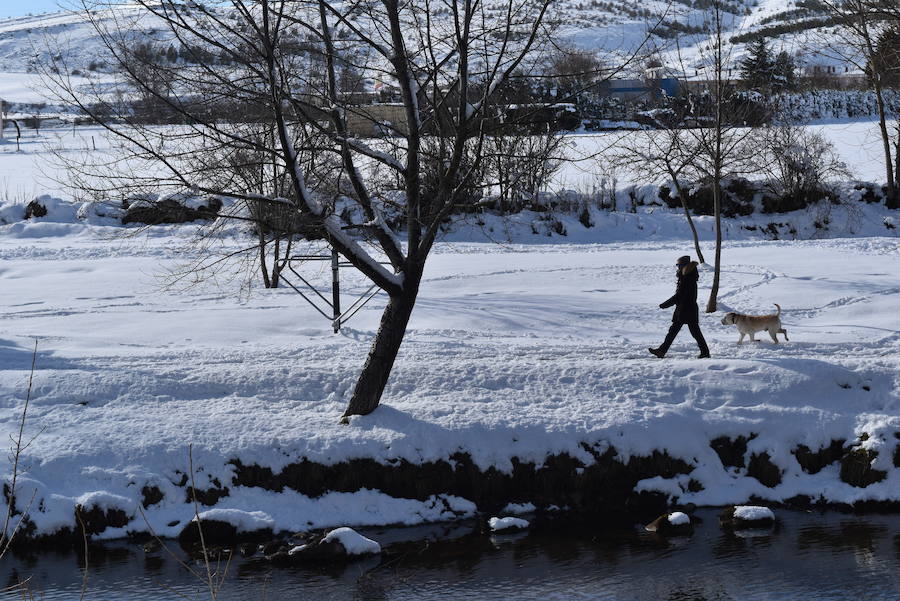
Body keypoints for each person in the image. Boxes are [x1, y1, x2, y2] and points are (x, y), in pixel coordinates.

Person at [649, 255, 710, 359]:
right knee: (676, 331)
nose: (677, 267)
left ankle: (705, 353)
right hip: (686, 309)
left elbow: (679, 296)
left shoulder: (687, 279)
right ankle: (662, 351)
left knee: (692, 332)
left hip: (686, 310)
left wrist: (665, 304)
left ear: (683, 266)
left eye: (678, 265)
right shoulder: (687, 277)